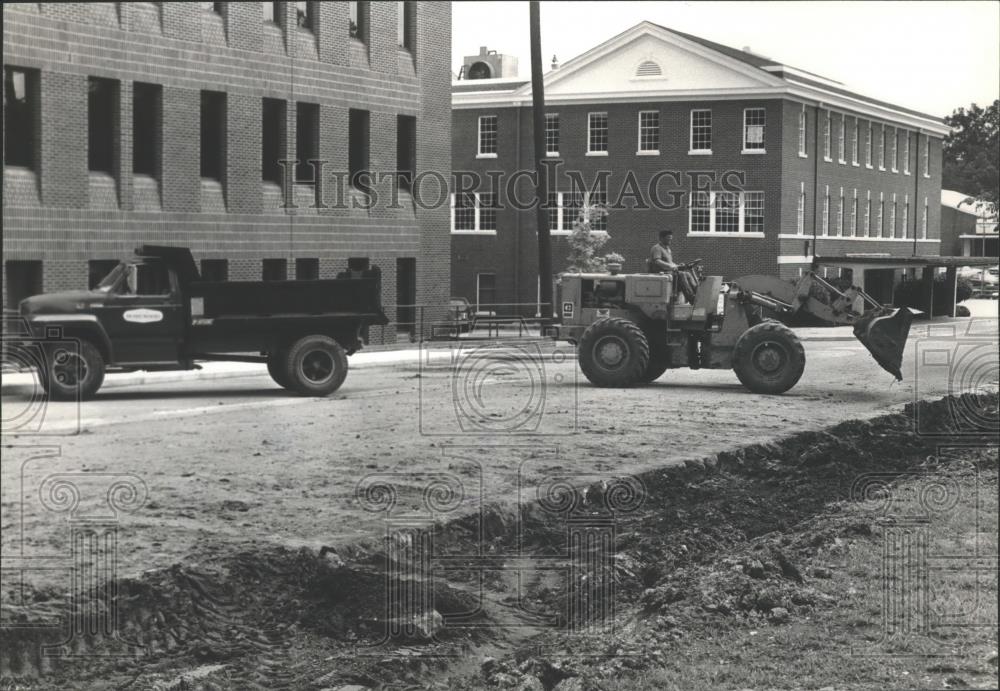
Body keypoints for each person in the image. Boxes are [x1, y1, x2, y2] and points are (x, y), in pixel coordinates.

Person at [649, 229, 699, 302]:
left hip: (669, 273)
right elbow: (657, 261)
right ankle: (691, 297)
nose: (670, 241)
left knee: (687, 274)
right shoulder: (657, 248)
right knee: (681, 274)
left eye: (670, 239)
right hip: (660, 273)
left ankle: (697, 292)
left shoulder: (668, 249)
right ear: (661, 238)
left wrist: (678, 265)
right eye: (668, 239)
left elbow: (670, 262)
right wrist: (671, 267)